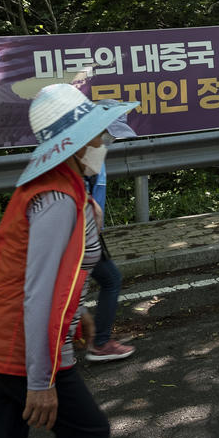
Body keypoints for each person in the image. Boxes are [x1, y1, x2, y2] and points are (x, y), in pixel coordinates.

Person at [0, 83, 137, 438]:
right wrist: (42, 381)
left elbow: (55, 276)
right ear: (77, 142)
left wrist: (80, 310)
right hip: (19, 346)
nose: (104, 141)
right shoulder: (57, 198)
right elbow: (39, 292)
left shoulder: (63, 185)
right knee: (89, 431)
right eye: (97, 134)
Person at [83, 112, 137, 363]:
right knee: (110, 280)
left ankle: (94, 338)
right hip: (82, 235)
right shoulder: (89, 153)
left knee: (81, 289)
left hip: (86, 234)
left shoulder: (91, 150)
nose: (112, 139)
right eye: (110, 134)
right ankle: (100, 342)